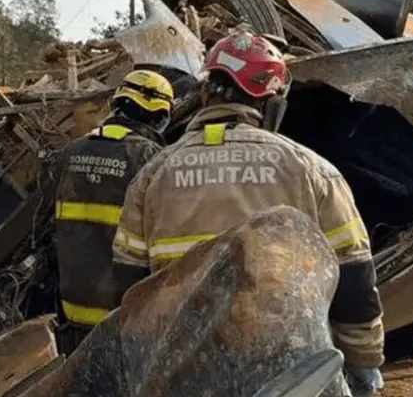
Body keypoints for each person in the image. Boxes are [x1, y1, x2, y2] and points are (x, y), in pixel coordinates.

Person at [112, 29, 385, 397]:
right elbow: (354, 276)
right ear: (271, 102)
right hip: (287, 375)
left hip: (182, 375)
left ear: (206, 93)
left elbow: (129, 290)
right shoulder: (312, 171)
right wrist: (364, 360)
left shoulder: (152, 177)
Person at [44, 68, 173, 354]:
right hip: (120, 318)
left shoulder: (70, 153)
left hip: (71, 313)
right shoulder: (150, 158)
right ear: (158, 115)